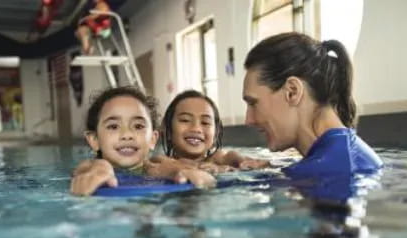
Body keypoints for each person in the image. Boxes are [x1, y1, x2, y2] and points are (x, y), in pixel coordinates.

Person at [242, 32, 382, 179]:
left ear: (292, 92)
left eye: (253, 103)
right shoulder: (345, 157)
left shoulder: (325, 174)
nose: (248, 120)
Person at [70, 86, 216, 196]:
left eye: (138, 126)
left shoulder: (156, 165)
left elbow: (168, 168)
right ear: (94, 140)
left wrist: (183, 171)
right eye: (113, 126)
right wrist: (101, 168)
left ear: (153, 139)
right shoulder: (92, 167)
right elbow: (86, 169)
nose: (127, 135)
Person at [156, 90, 270, 174]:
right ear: (168, 130)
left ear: (215, 135)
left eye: (205, 123)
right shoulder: (161, 163)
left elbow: (230, 156)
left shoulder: (217, 158)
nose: (196, 128)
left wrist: (244, 161)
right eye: (185, 120)